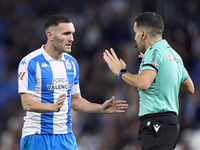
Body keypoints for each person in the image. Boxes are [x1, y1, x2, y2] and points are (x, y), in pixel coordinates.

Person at [18, 15, 129, 150]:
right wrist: (52, 108)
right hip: (38, 136)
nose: (72, 38)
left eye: (72, 33)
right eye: (66, 33)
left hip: (66, 137)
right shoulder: (30, 62)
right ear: (50, 35)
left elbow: (76, 102)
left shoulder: (72, 63)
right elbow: (26, 102)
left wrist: (100, 108)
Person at [103, 12, 194, 150]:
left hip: (156, 122)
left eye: (135, 32)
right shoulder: (174, 55)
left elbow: (143, 83)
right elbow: (189, 87)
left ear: (143, 34)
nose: (134, 37)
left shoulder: (153, 52)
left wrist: (121, 73)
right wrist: (162, 73)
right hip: (171, 124)